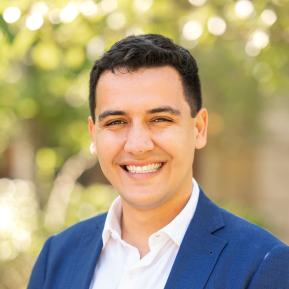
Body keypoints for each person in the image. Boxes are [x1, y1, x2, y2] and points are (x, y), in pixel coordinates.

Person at [27, 34, 289, 289]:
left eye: (160, 119)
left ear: (198, 128)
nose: (138, 145)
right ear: (93, 135)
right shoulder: (57, 257)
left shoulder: (262, 265)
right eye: (116, 122)